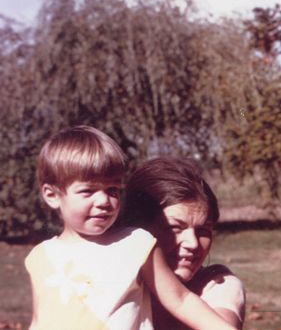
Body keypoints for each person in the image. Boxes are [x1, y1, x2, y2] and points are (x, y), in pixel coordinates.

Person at [25, 125, 236, 330]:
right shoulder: (40, 257)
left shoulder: (137, 243)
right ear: (52, 195)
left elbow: (180, 300)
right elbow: (40, 321)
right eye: (88, 191)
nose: (103, 201)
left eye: (112, 190)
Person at [123, 157, 246, 330]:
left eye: (203, 230)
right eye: (174, 228)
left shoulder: (217, 285)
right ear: (137, 227)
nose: (193, 243)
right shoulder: (113, 280)